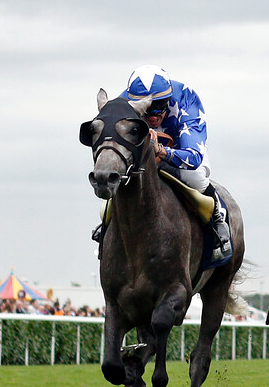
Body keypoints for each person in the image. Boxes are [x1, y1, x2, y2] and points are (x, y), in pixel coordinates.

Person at [94, 65, 231, 261]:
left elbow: (193, 158)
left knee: (196, 178)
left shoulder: (187, 99)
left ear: (168, 99)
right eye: (147, 109)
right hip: (143, 152)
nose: (153, 116)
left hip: (180, 147)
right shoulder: (123, 103)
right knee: (119, 181)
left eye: (159, 106)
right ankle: (106, 231)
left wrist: (162, 151)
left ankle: (218, 219)